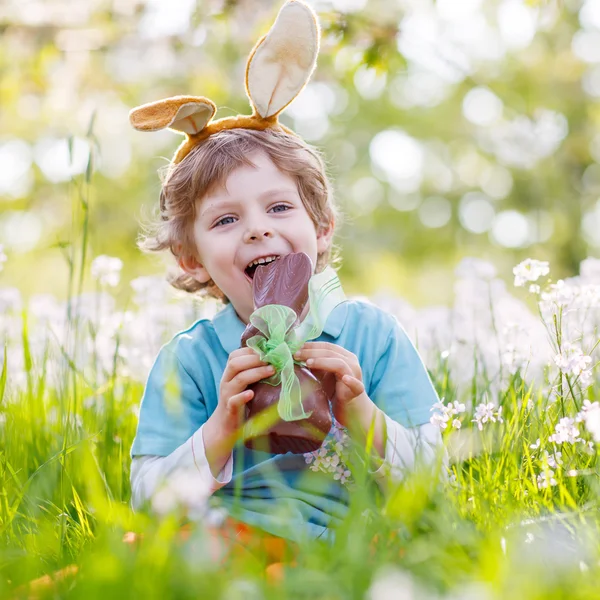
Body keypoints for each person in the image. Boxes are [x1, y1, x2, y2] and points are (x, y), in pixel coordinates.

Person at [128, 0, 444, 550]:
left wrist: (361, 414)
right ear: (191, 258)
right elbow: (148, 501)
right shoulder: (192, 361)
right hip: (232, 537)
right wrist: (220, 430)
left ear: (320, 227)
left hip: (356, 540)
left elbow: (436, 480)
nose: (257, 231)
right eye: (226, 219)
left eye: (278, 208)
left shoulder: (371, 337)